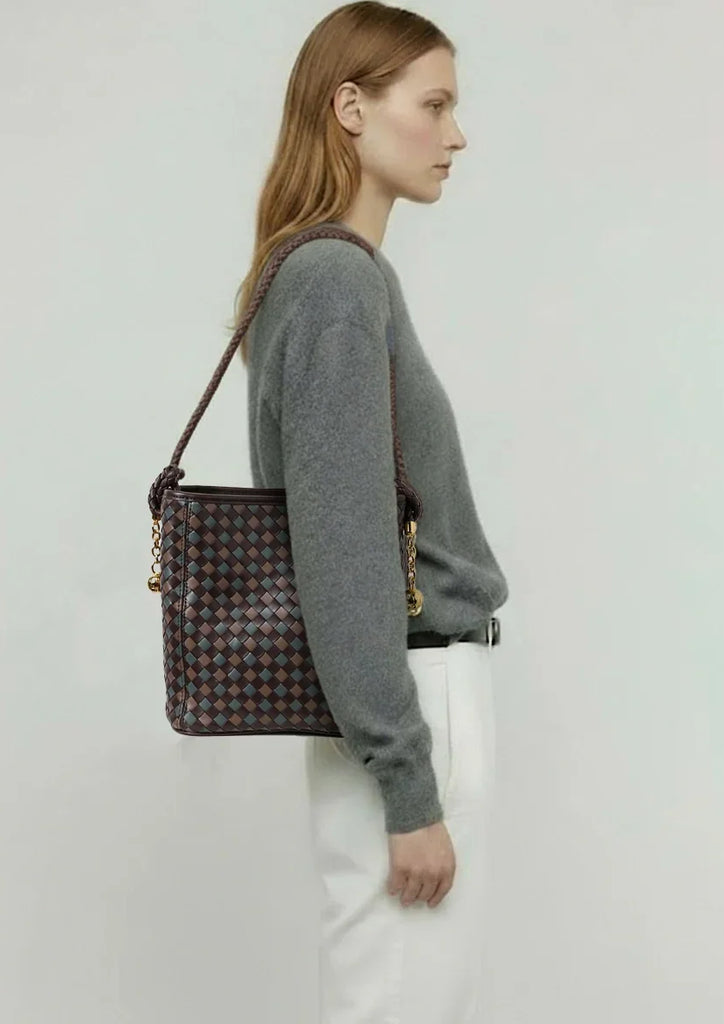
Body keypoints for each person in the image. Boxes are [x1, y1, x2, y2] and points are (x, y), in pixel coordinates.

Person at [234, 4, 510, 1021]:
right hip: (407, 700)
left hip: (396, 698)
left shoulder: (332, 278)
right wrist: (407, 784)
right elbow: (342, 544)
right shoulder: (336, 285)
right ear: (350, 107)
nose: (455, 134)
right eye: (432, 104)